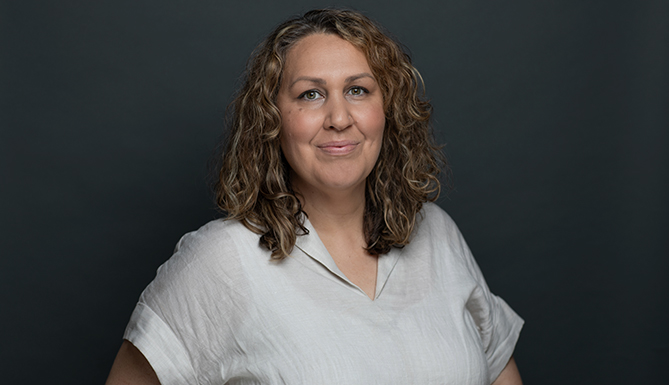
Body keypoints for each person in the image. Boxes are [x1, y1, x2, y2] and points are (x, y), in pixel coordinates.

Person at [106, 8, 524, 385]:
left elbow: (499, 369)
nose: (339, 118)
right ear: (272, 119)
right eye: (311, 94)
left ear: (388, 110)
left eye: (358, 90)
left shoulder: (437, 234)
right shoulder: (222, 261)